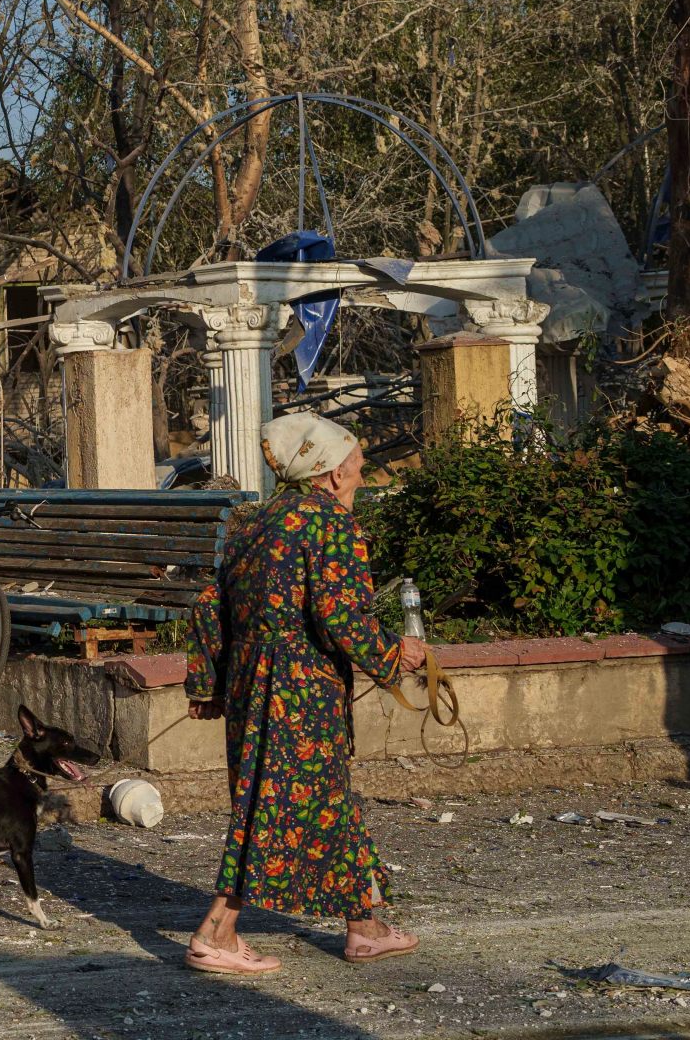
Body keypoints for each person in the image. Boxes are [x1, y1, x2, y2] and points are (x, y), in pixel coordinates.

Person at [180, 412, 430, 976]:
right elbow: (342, 617)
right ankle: (215, 932)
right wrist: (396, 655)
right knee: (273, 805)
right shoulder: (329, 523)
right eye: (360, 469)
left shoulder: (253, 521)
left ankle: (365, 928)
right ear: (334, 473)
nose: (363, 480)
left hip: (251, 679)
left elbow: (207, 607)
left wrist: (208, 682)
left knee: (325, 798)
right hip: (300, 686)